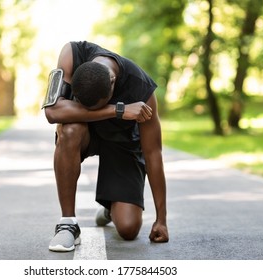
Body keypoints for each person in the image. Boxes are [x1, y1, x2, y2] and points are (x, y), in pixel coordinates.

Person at [44, 41, 169, 252]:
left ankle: (111, 206)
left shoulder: (141, 88)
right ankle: (68, 224)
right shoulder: (71, 55)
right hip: (84, 133)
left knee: (129, 230)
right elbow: (52, 112)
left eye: (97, 106)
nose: (92, 111)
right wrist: (117, 110)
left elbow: (153, 153)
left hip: (123, 141)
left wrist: (161, 219)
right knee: (69, 130)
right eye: (85, 107)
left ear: (112, 82)